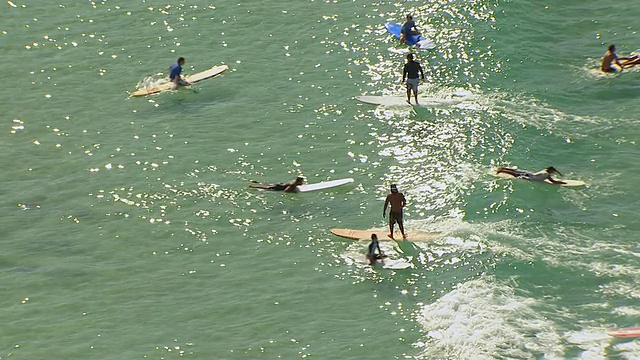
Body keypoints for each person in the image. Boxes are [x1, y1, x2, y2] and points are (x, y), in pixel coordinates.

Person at [496, 166, 566, 185]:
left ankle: (503, 168)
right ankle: (502, 170)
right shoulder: (547, 174)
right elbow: (553, 181)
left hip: (530, 174)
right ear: (550, 171)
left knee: (516, 171)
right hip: (530, 177)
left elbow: (553, 170)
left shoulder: (545, 170)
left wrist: (559, 174)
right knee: (515, 174)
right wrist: (562, 182)